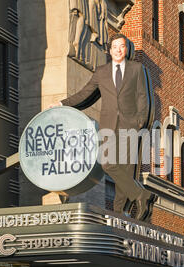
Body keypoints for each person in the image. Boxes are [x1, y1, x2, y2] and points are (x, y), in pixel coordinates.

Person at [49, 33, 157, 220]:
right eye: (114, 47)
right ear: (110, 50)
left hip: (131, 126)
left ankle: (120, 214)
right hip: (108, 126)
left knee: (126, 169)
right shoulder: (101, 72)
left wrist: (141, 123)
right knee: (107, 163)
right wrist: (62, 104)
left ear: (127, 49)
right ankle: (141, 195)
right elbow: (86, 94)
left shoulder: (137, 69)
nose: (118, 50)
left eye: (121, 46)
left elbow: (143, 97)